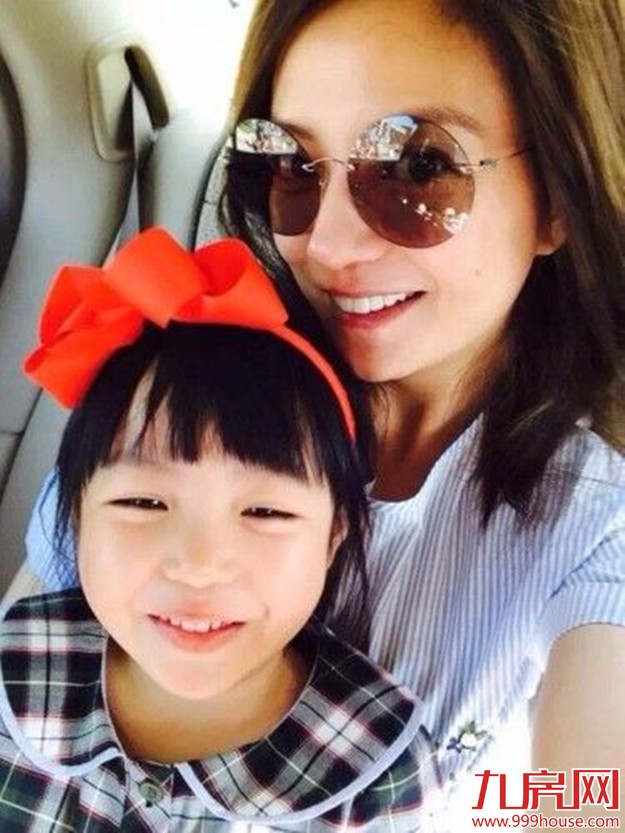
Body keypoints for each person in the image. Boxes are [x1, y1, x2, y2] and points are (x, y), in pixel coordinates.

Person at [24, 0, 625, 824]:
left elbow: (590, 797)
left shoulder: (593, 522)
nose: (329, 246)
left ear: (558, 192)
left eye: (418, 166)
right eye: (293, 165)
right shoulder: (172, 406)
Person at [2, 228, 441, 831]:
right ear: (76, 514)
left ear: (335, 534)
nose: (199, 565)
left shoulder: (375, 772)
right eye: (142, 502)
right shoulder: (17, 662)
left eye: (265, 513)